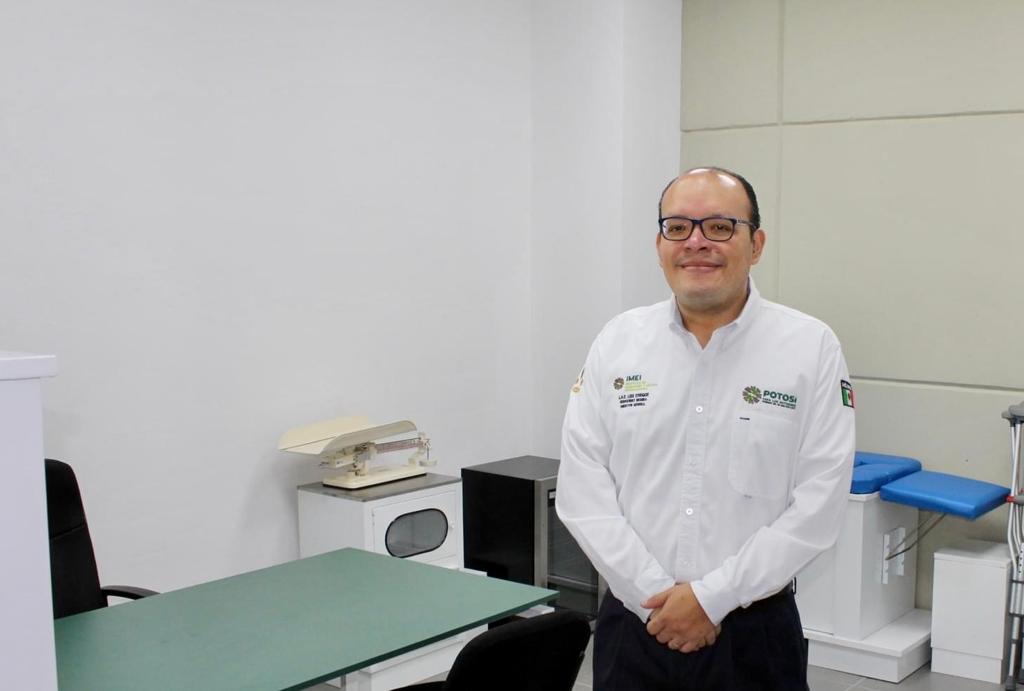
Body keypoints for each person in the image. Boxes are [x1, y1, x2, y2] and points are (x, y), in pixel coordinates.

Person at [556, 167, 855, 690]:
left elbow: (819, 503)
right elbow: (584, 491)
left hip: (754, 635)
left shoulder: (811, 348)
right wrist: (657, 600)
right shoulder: (617, 342)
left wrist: (712, 598)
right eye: (677, 227)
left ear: (755, 244)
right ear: (659, 245)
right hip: (635, 625)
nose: (696, 242)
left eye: (719, 226)